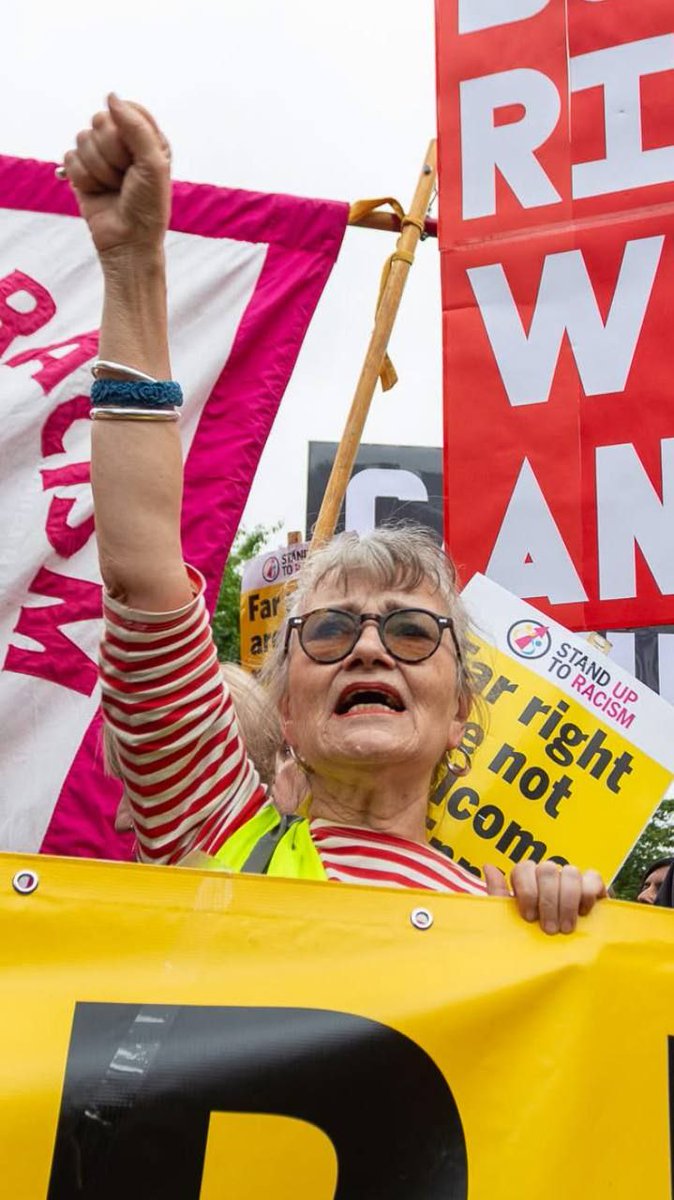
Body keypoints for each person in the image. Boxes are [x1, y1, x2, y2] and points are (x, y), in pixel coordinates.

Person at [61, 95, 606, 933]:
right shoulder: (215, 828)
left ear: (461, 715)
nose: (368, 647)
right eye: (327, 631)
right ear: (287, 714)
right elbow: (142, 573)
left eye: (412, 631)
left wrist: (565, 932)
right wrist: (134, 267)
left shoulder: (511, 921)